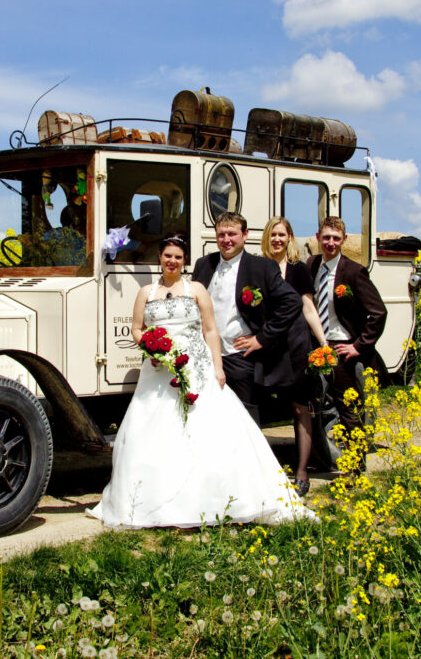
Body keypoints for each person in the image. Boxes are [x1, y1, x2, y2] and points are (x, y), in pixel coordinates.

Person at [88, 234, 315, 528]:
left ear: (184, 262)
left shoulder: (196, 289)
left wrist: (218, 368)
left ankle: (209, 500)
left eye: (178, 257)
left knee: (203, 430)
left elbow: (210, 331)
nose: (172, 261)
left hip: (197, 367)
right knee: (153, 432)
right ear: (160, 257)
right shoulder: (146, 292)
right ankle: (154, 502)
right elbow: (136, 328)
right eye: (167, 256)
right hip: (158, 371)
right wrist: (150, 347)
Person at [191, 212, 310, 426]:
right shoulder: (204, 264)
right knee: (208, 418)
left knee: (246, 421)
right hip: (207, 356)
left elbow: (292, 302)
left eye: (232, 234)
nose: (226, 240)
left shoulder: (262, 267)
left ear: (245, 235)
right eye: (221, 234)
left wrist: (262, 338)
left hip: (240, 356)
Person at [306, 216, 387, 473]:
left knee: (349, 410)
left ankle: (356, 467)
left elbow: (378, 312)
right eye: (326, 237)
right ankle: (317, 458)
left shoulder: (353, 271)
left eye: (336, 238)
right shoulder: (311, 264)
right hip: (317, 346)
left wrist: (358, 346)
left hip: (342, 348)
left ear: (344, 240)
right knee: (313, 405)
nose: (330, 243)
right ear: (318, 237)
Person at [260, 216, 326, 495]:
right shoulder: (257, 267)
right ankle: (261, 472)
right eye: (272, 234)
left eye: (282, 234)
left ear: (289, 238)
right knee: (257, 407)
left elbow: (308, 308)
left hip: (297, 342)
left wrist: (323, 344)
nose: (277, 239)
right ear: (266, 238)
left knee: (300, 408)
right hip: (266, 344)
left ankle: (301, 472)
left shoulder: (299, 270)